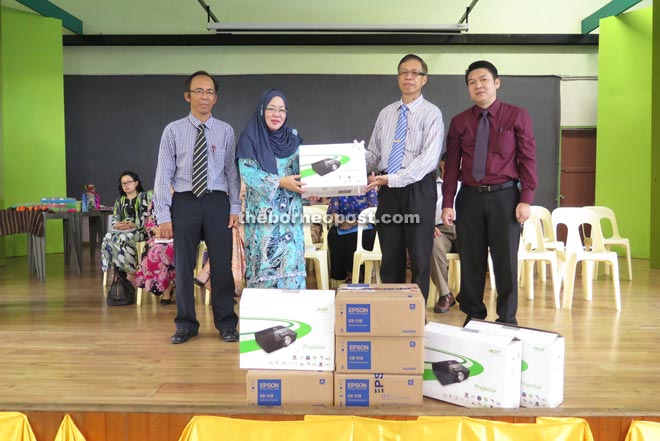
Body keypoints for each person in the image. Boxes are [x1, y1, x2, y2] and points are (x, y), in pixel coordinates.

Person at [441, 60, 537, 326]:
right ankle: (474, 317)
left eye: (483, 80)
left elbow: (528, 160)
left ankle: (507, 319)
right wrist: (447, 202)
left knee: (505, 261)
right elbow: (451, 167)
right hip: (469, 197)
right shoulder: (460, 121)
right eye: (472, 82)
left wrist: (525, 199)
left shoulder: (517, 115)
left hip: (505, 197)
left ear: (496, 82)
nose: (478, 86)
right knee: (471, 260)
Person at [153, 70, 241, 344]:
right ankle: (186, 324)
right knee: (183, 265)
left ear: (215, 98)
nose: (204, 96)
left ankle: (226, 322)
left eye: (210, 92)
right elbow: (162, 174)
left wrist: (235, 207)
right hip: (185, 201)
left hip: (217, 201)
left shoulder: (225, 130)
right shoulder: (173, 130)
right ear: (187, 95)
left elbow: (231, 173)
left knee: (223, 266)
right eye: (199, 91)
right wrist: (163, 213)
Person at [364, 54, 444, 305]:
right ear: (398, 77)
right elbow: (374, 154)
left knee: (420, 258)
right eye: (403, 72)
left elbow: (428, 160)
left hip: (418, 189)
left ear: (424, 79)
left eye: (415, 73)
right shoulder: (386, 113)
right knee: (390, 256)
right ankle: (393, 312)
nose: (408, 77)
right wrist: (348, 163)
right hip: (388, 191)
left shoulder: (432, 114)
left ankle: (415, 317)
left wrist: (395, 178)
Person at [236, 88, 306, 289]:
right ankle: (265, 319)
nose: (277, 114)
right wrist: (281, 182)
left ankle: (294, 319)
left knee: (291, 266)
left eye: (282, 110)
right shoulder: (250, 137)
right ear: (261, 110)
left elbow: (305, 170)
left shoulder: (292, 138)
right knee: (265, 269)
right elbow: (248, 173)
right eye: (271, 109)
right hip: (263, 218)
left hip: (291, 217)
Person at [101, 171, 150, 280]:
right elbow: (115, 219)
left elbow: (148, 216)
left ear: (136, 183)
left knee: (125, 237)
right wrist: (117, 225)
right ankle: (117, 270)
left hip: (140, 231)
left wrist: (134, 225)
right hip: (123, 230)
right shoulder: (119, 201)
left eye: (129, 182)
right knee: (108, 237)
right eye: (123, 183)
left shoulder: (145, 197)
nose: (126, 185)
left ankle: (130, 272)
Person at [327, 190, 378, 287]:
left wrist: (353, 223)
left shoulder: (369, 190)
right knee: (334, 235)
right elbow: (333, 212)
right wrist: (341, 222)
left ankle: (361, 272)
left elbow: (374, 213)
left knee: (364, 235)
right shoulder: (338, 190)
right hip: (343, 225)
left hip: (364, 225)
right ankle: (346, 274)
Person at [132, 198, 176, 305]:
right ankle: (166, 287)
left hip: (180, 235)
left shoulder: (186, 196)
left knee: (169, 248)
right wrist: (156, 230)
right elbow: (149, 222)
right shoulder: (157, 199)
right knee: (155, 248)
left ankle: (168, 287)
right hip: (159, 236)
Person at [430, 152, 459, 313]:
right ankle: (445, 294)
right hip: (440, 230)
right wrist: (428, 226)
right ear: (443, 164)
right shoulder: (433, 187)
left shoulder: (467, 185)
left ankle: (469, 293)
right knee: (432, 245)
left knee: (477, 245)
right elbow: (423, 210)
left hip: (465, 229)